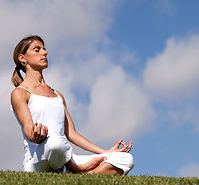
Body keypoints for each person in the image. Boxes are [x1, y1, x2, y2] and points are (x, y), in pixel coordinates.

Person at [11, 35, 134, 175]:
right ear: (23, 58)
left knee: (125, 159)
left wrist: (105, 152)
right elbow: (28, 130)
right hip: (39, 158)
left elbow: (71, 134)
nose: (44, 53)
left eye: (44, 49)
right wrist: (35, 136)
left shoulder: (57, 95)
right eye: (37, 50)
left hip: (65, 157)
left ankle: (84, 175)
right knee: (55, 143)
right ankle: (78, 170)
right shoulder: (20, 93)